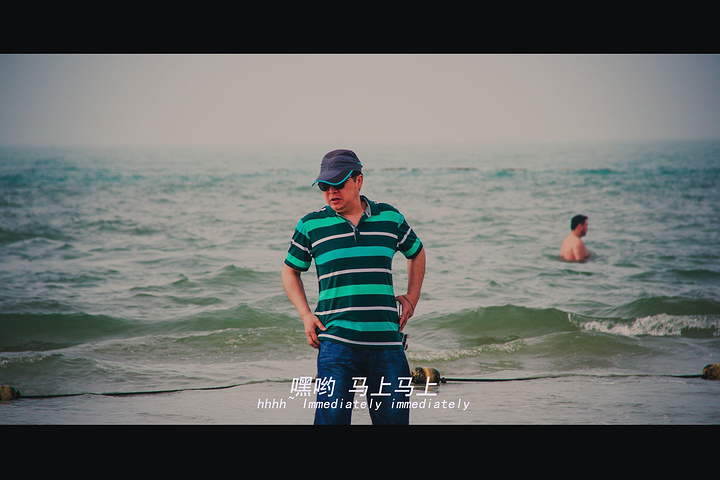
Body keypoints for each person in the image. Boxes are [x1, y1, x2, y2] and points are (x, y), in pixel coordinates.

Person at [282, 149, 426, 425]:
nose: (331, 192)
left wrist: (413, 296)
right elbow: (290, 271)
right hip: (335, 344)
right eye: (325, 186)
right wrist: (305, 315)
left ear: (359, 181)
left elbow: (416, 252)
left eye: (338, 184)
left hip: (387, 343)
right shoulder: (311, 225)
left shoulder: (390, 218)